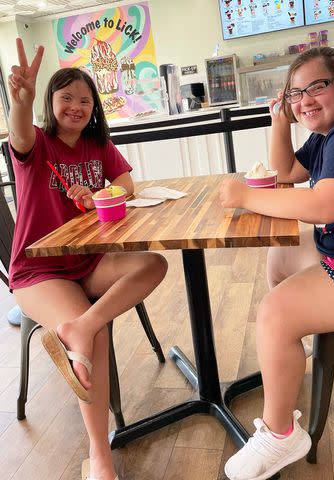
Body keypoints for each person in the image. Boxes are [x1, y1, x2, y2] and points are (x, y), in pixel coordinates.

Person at [8, 38, 167, 480]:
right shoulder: (37, 145)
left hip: (88, 262)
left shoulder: (99, 143)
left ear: (94, 107)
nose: (76, 107)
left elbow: (127, 186)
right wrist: (18, 103)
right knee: (93, 340)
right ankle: (100, 458)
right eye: (66, 99)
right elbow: (19, 134)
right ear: (50, 102)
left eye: (84, 100)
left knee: (153, 264)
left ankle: (83, 324)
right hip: (39, 271)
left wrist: (100, 193)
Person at [220, 46, 334, 480]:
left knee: (274, 312)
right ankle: (287, 349)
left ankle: (282, 434)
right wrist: (278, 121)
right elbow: (286, 170)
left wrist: (246, 195)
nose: (304, 100)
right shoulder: (331, 129)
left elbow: (324, 205)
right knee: (282, 254)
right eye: (295, 93)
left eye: (315, 87)